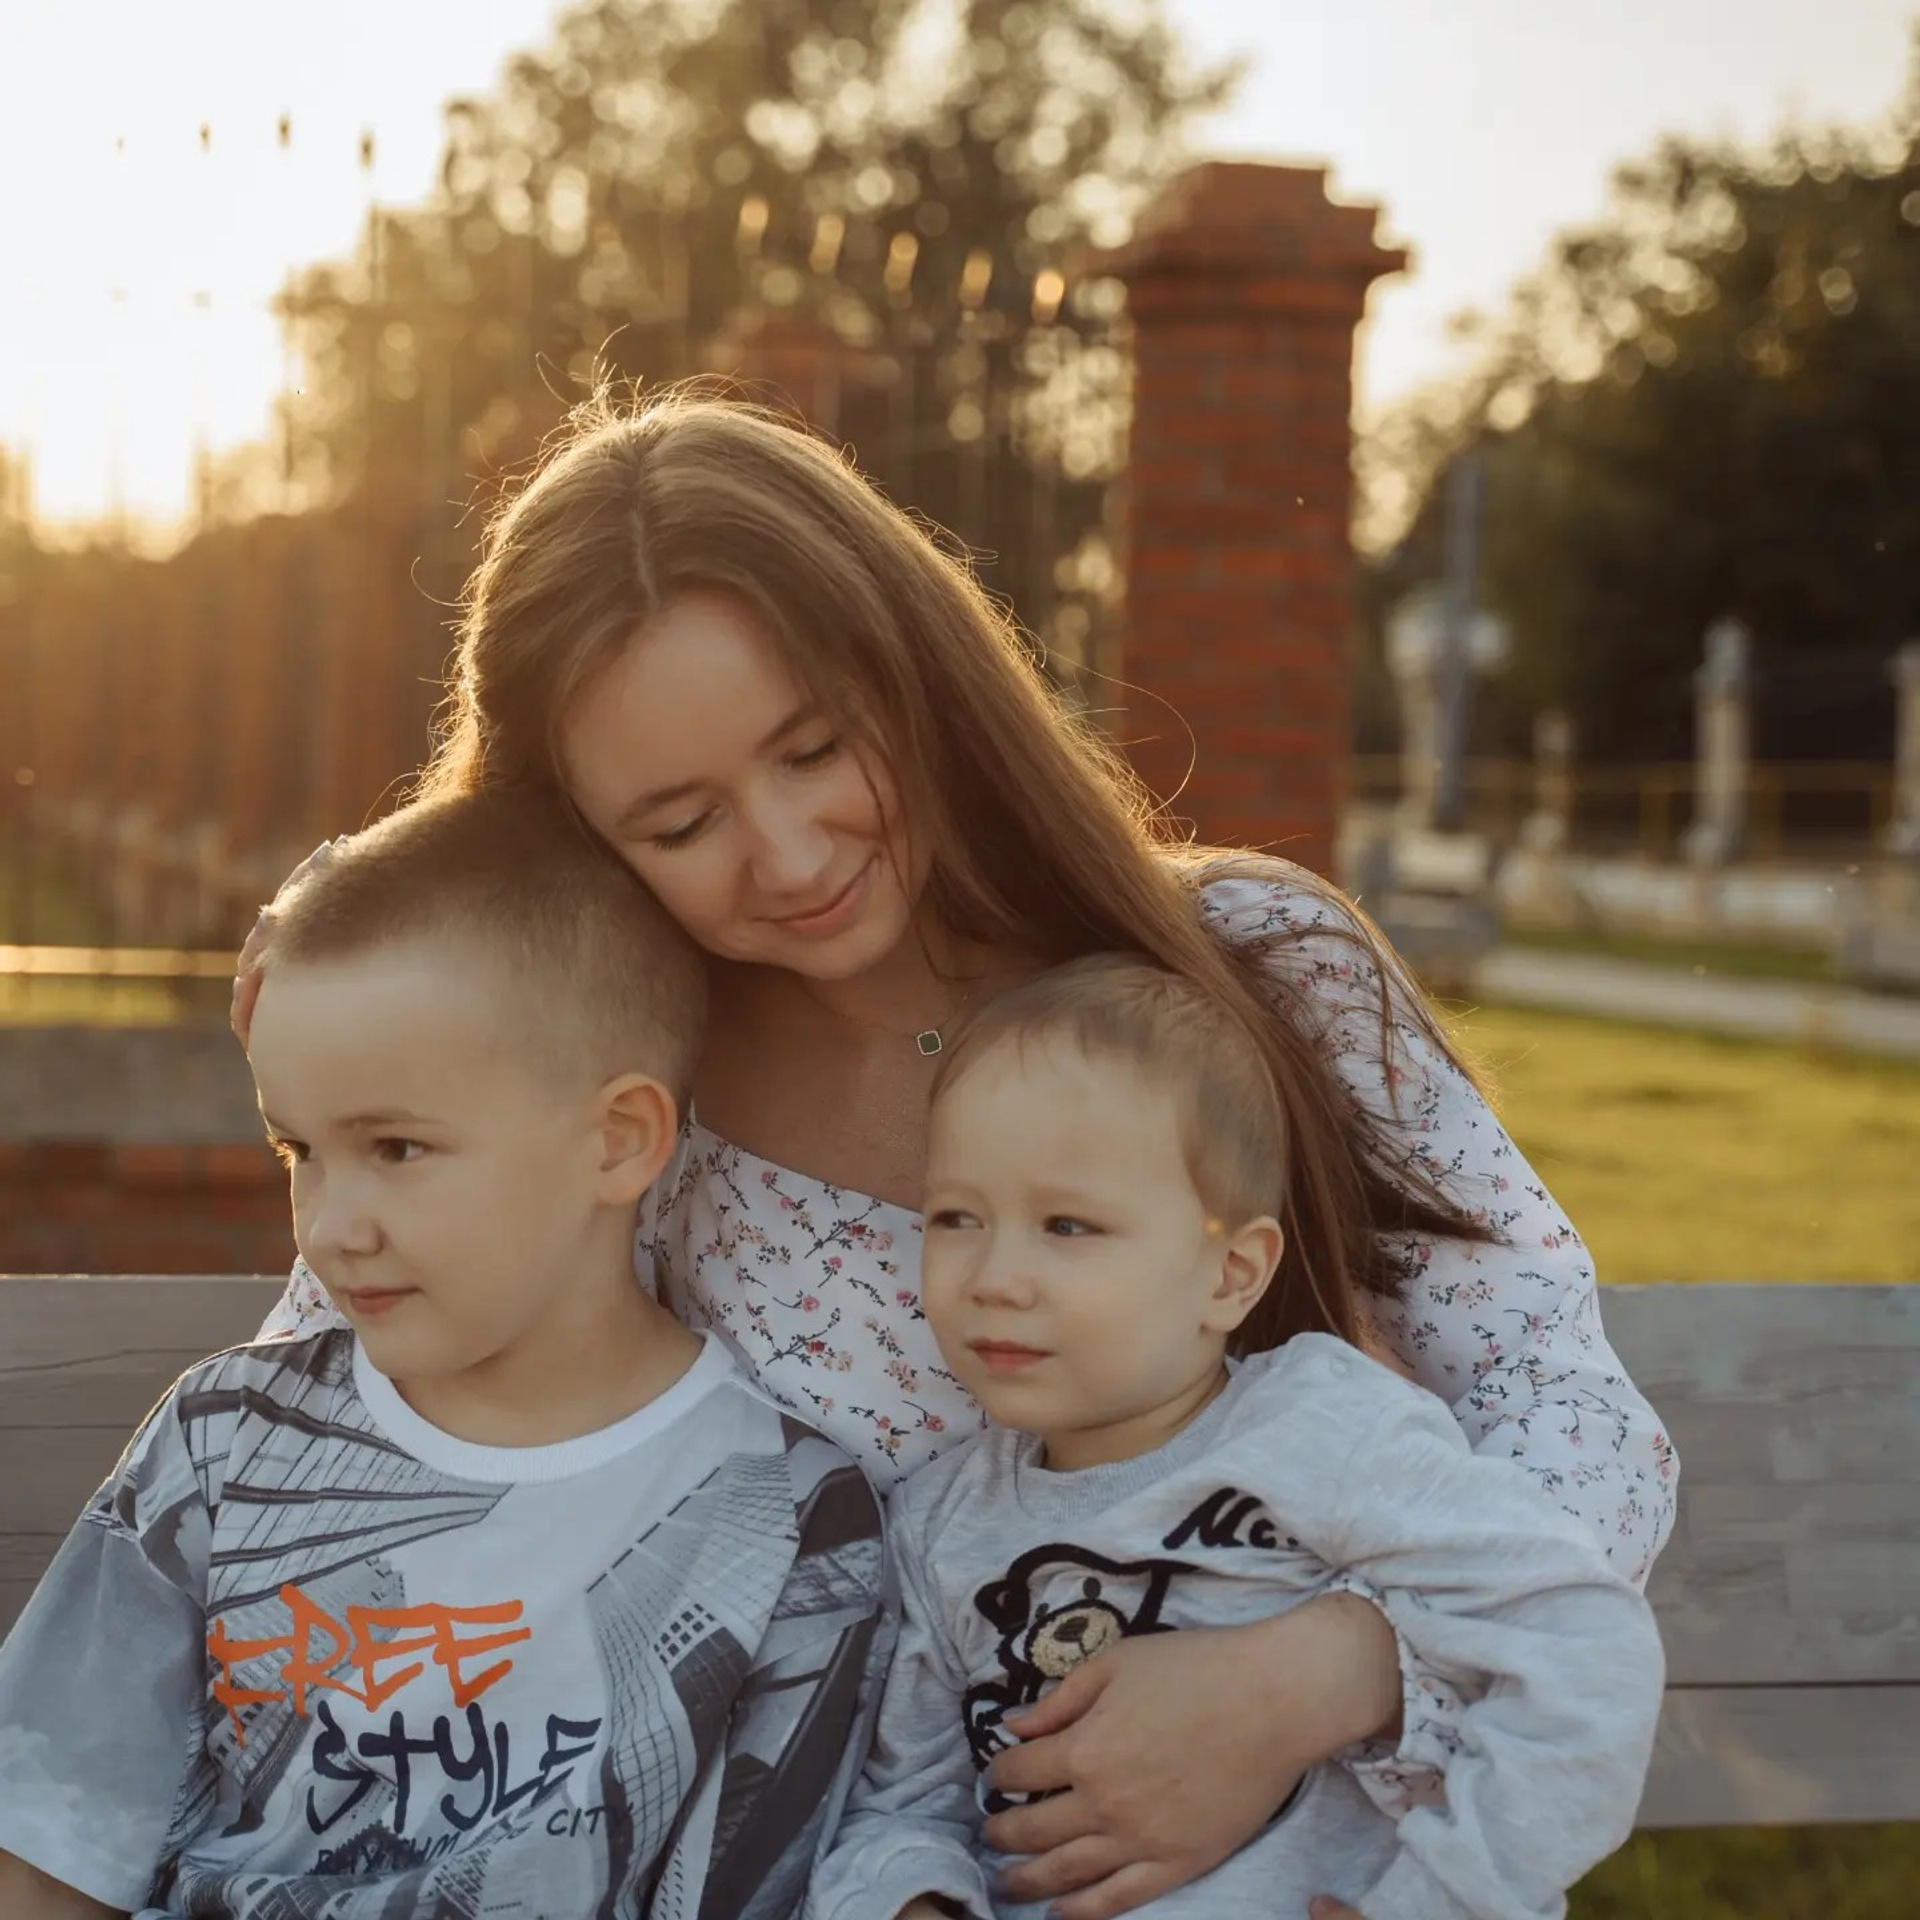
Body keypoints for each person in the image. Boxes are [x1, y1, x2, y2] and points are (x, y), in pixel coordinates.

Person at [235, 386, 1677, 1919]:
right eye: (677, 822)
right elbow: (318, 1438)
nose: (787, 854)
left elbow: (1568, 1412)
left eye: (813, 747)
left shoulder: (1261, 973)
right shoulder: (624, 1116)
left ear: (917, 673)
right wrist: (375, 953)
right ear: (583, 837)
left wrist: (1316, 1676)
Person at [0, 792, 887, 1920]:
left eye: (399, 1148)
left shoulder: (792, 1514)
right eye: (299, 1149)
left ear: (617, 1140)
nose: (331, 1226)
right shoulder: (224, 1440)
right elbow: (47, 1847)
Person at [805, 955, 1665, 1920]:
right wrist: (911, 1900)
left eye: (1068, 1226)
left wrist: (1443, 1900)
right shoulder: (939, 1522)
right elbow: (901, 1807)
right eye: (956, 1216)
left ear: (1231, 1274)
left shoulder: (1320, 1428)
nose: (994, 1275)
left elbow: (1580, 1643)